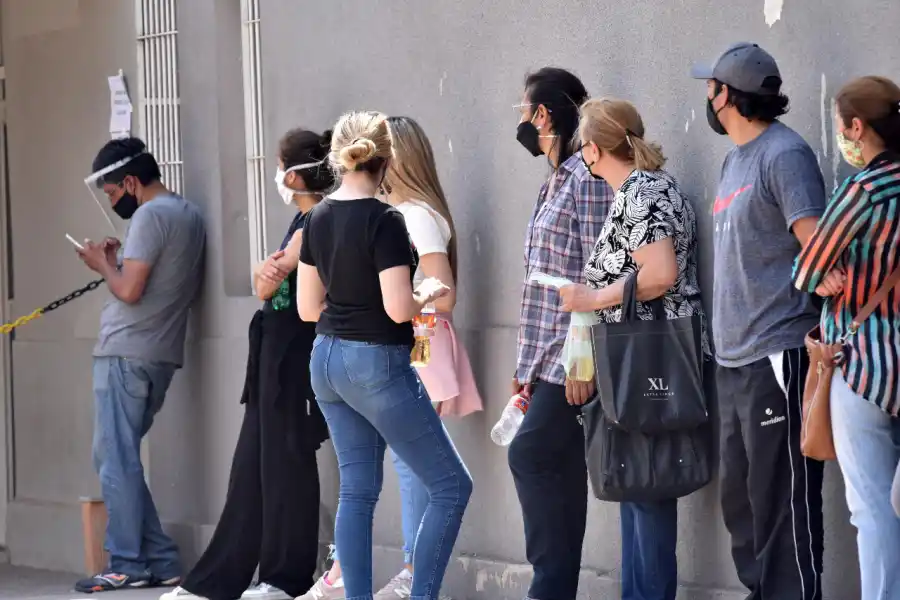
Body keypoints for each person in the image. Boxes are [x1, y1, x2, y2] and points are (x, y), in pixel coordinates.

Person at [301, 116, 481, 600]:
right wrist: (427, 293)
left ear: (340, 157)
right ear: (387, 159)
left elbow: (307, 308)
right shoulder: (386, 220)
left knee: (357, 491)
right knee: (451, 486)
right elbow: (399, 308)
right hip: (376, 362)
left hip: (325, 361)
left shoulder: (316, 217)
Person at [161, 129, 333, 600]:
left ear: (293, 175)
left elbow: (266, 282)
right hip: (273, 354)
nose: (276, 175)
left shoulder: (316, 220)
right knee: (252, 467)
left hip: (296, 354)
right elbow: (264, 279)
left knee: (288, 463)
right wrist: (264, 272)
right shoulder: (302, 220)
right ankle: (217, 579)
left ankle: (285, 577)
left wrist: (265, 271)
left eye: (279, 166)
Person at [558, 97, 709, 600]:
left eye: (582, 146)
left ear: (594, 149)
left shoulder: (642, 192)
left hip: (647, 361)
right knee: (637, 488)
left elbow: (660, 274)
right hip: (644, 359)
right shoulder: (646, 188)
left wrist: (590, 297)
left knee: (645, 489)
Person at [690, 42, 826, 599]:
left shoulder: (785, 155)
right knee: (742, 501)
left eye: (710, 87)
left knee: (781, 499)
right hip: (733, 359)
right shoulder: (735, 160)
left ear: (728, 95)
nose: (706, 96)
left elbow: (818, 250)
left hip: (777, 353)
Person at [73, 137, 206, 593]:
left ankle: (127, 562)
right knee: (120, 457)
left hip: (127, 352)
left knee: (115, 459)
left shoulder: (150, 215)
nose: (113, 202)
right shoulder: (187, 213)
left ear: (131, 182)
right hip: (159, 353)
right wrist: (115, 263)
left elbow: (129, 291)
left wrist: (100, 264)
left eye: (112, 192)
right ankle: (162, 561)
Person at [507, 67, 612, 600]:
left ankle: (547, 591)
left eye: (524, 111)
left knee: (531, 456)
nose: (522, 121)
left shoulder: (585, 180)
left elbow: (597, 271)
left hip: (571, 358)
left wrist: (584, 360)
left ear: (543, 115)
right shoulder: (554, 182)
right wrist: (525, 370)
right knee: (558, 468)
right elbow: (540, 281)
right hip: (545, 359)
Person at [793, 75, 900, 600]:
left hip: (864, 365)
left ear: (857, 128)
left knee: (873, 507)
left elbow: (808, 266)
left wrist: (820, 276)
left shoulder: (866, 189)